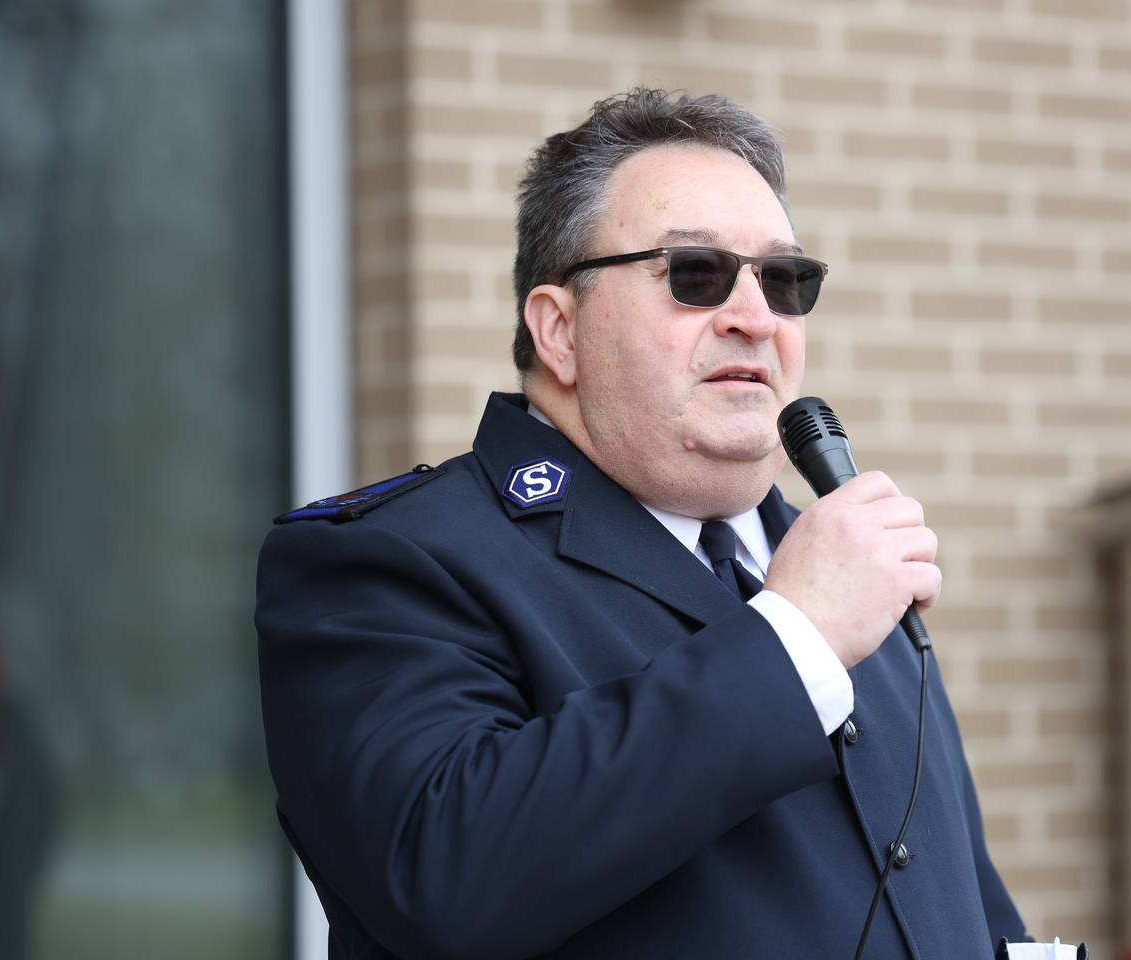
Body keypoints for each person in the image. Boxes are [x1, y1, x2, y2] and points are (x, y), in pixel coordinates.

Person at [257, 88, 1026, 960]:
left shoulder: (840, 571)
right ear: (559, 328)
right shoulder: (386, 563)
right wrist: (795, 641)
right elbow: (443, 880)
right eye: (695, 274)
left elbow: (969, 911)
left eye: (784, 280)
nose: (755, 316)